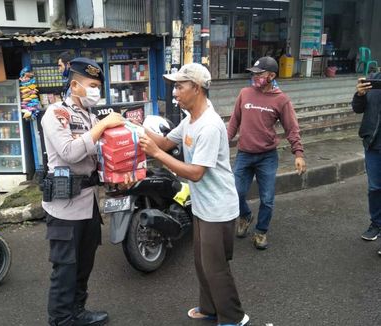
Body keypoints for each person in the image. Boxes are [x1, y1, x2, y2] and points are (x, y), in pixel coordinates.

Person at [139, 63, 250, 326]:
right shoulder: (190, 120)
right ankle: (210, 308)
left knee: (216, 266)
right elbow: (166, 142)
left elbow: (196, 172)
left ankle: (234, 317)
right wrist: (129, 127)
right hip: (203, 205)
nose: (174, 92)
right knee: (202, 263)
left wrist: (156, 155)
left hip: (218, 208)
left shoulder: (209, 126)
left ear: (197, 89)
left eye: (179, 86)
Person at [41, 57, 125, 326]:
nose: (95, 91)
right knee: (65, 269)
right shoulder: (56, 114)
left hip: (89, 203)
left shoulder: (89, 116)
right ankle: (61, 320)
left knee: (84, 265)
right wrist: (103, 126)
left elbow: (96, 156)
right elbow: (69, 152)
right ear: (74, 85)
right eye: (91, 85)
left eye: (98, 86)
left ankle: (77, 311)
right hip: (65, 207)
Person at [227, 56, 307, 250]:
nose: (255, 77)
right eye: (253, 73)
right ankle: (245, 216)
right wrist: (221, 145)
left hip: (267, 157)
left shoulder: (281, 100)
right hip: (244, 154)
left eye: (259, 73)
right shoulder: (245, 93)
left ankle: (261, 231)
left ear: (271, 75)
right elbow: (234, 123)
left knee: (268, 198)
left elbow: (291, 128)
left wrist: (298, 153)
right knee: (235, 193)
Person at [352, 73, 381, 256]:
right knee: (375, 188)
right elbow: (357, 108)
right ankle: (376, 224)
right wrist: (359, 95)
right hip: (373, 145)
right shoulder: (373, 79)